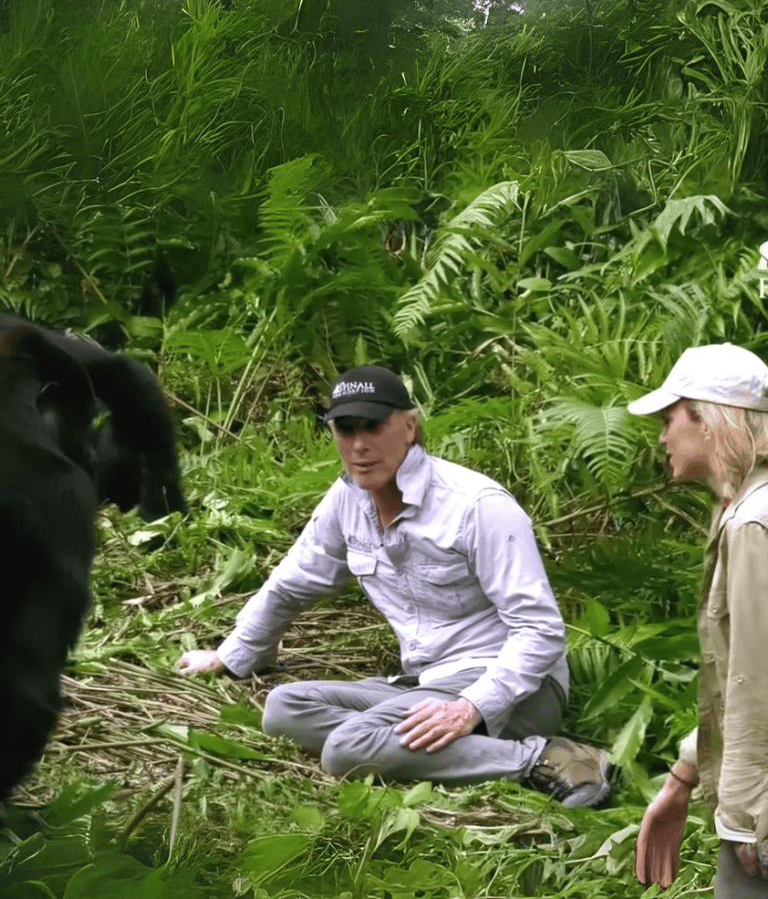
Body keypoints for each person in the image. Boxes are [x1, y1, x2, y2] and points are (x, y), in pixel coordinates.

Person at [180, 365, 611, 806]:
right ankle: (421, 742)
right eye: (345, 430)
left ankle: (547, 757)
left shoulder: (477, 506)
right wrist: (233, 654)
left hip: (514, 684)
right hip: (425, 681)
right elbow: (294, 580)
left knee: (348, 747)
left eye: (374, 426)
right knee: (283, 708)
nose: (360, 445)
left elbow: (539, 630)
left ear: (409, 427)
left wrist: (471, 707)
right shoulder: (347, 499)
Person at [629, 344, 768, 896]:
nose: (663, 437)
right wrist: (687, 772)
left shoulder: (753, 524)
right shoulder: (745, 507)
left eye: (670, 418)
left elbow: (754, 682)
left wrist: (747, 815)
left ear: (709, 421)